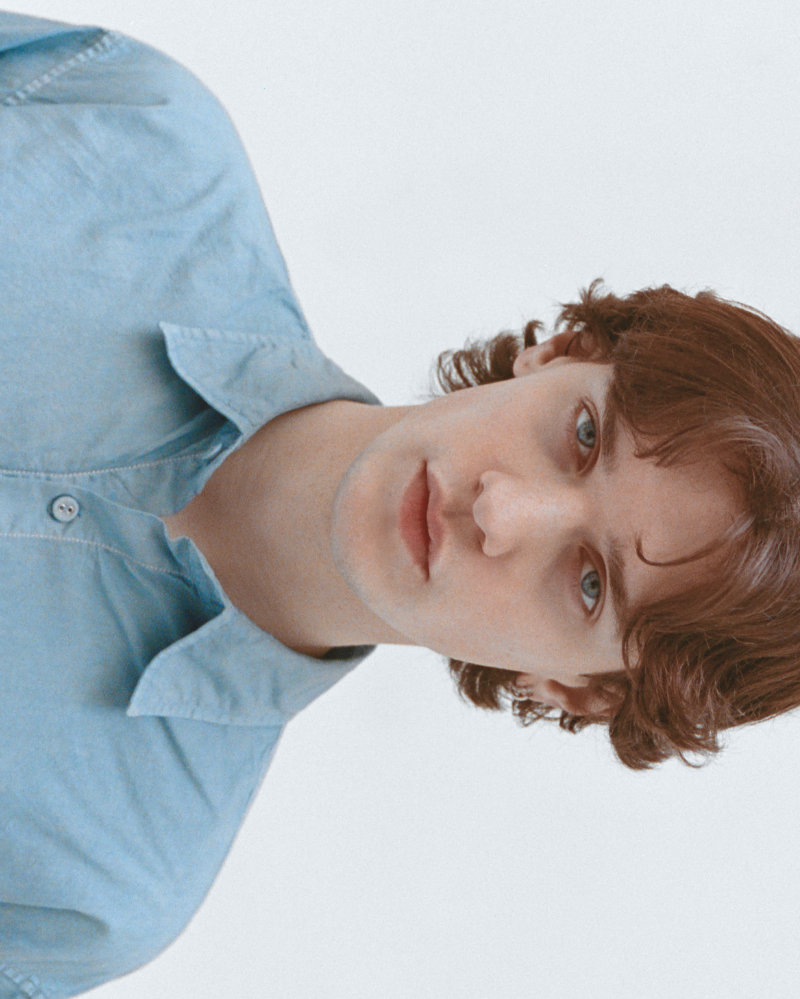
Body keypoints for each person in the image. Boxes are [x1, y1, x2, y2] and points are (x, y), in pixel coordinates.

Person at [1, 11, 799, 999]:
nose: (500, 513)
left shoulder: (101, 887)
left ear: (574, 691)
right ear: (565, 354)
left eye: (588, 583)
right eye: (583, 437)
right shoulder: (138, 139)